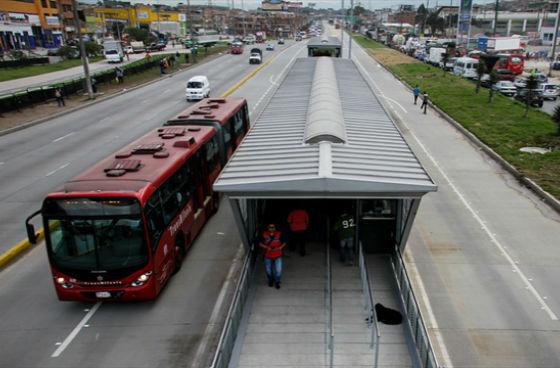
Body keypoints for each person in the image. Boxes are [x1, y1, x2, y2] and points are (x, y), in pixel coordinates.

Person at [259, 223, 286, 289]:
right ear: (268, 227)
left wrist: (280, 248)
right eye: (270, 227)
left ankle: (277, 282)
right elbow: (259, 243)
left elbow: (284, 242)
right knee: (268, 270)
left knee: (278, 270)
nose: (271, 228)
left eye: (273, 227)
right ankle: (271, 280)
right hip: (267, 255)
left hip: (278, 255)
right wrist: (266, 247)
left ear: (275, 228)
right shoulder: (264, 234)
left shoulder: (279, 234)